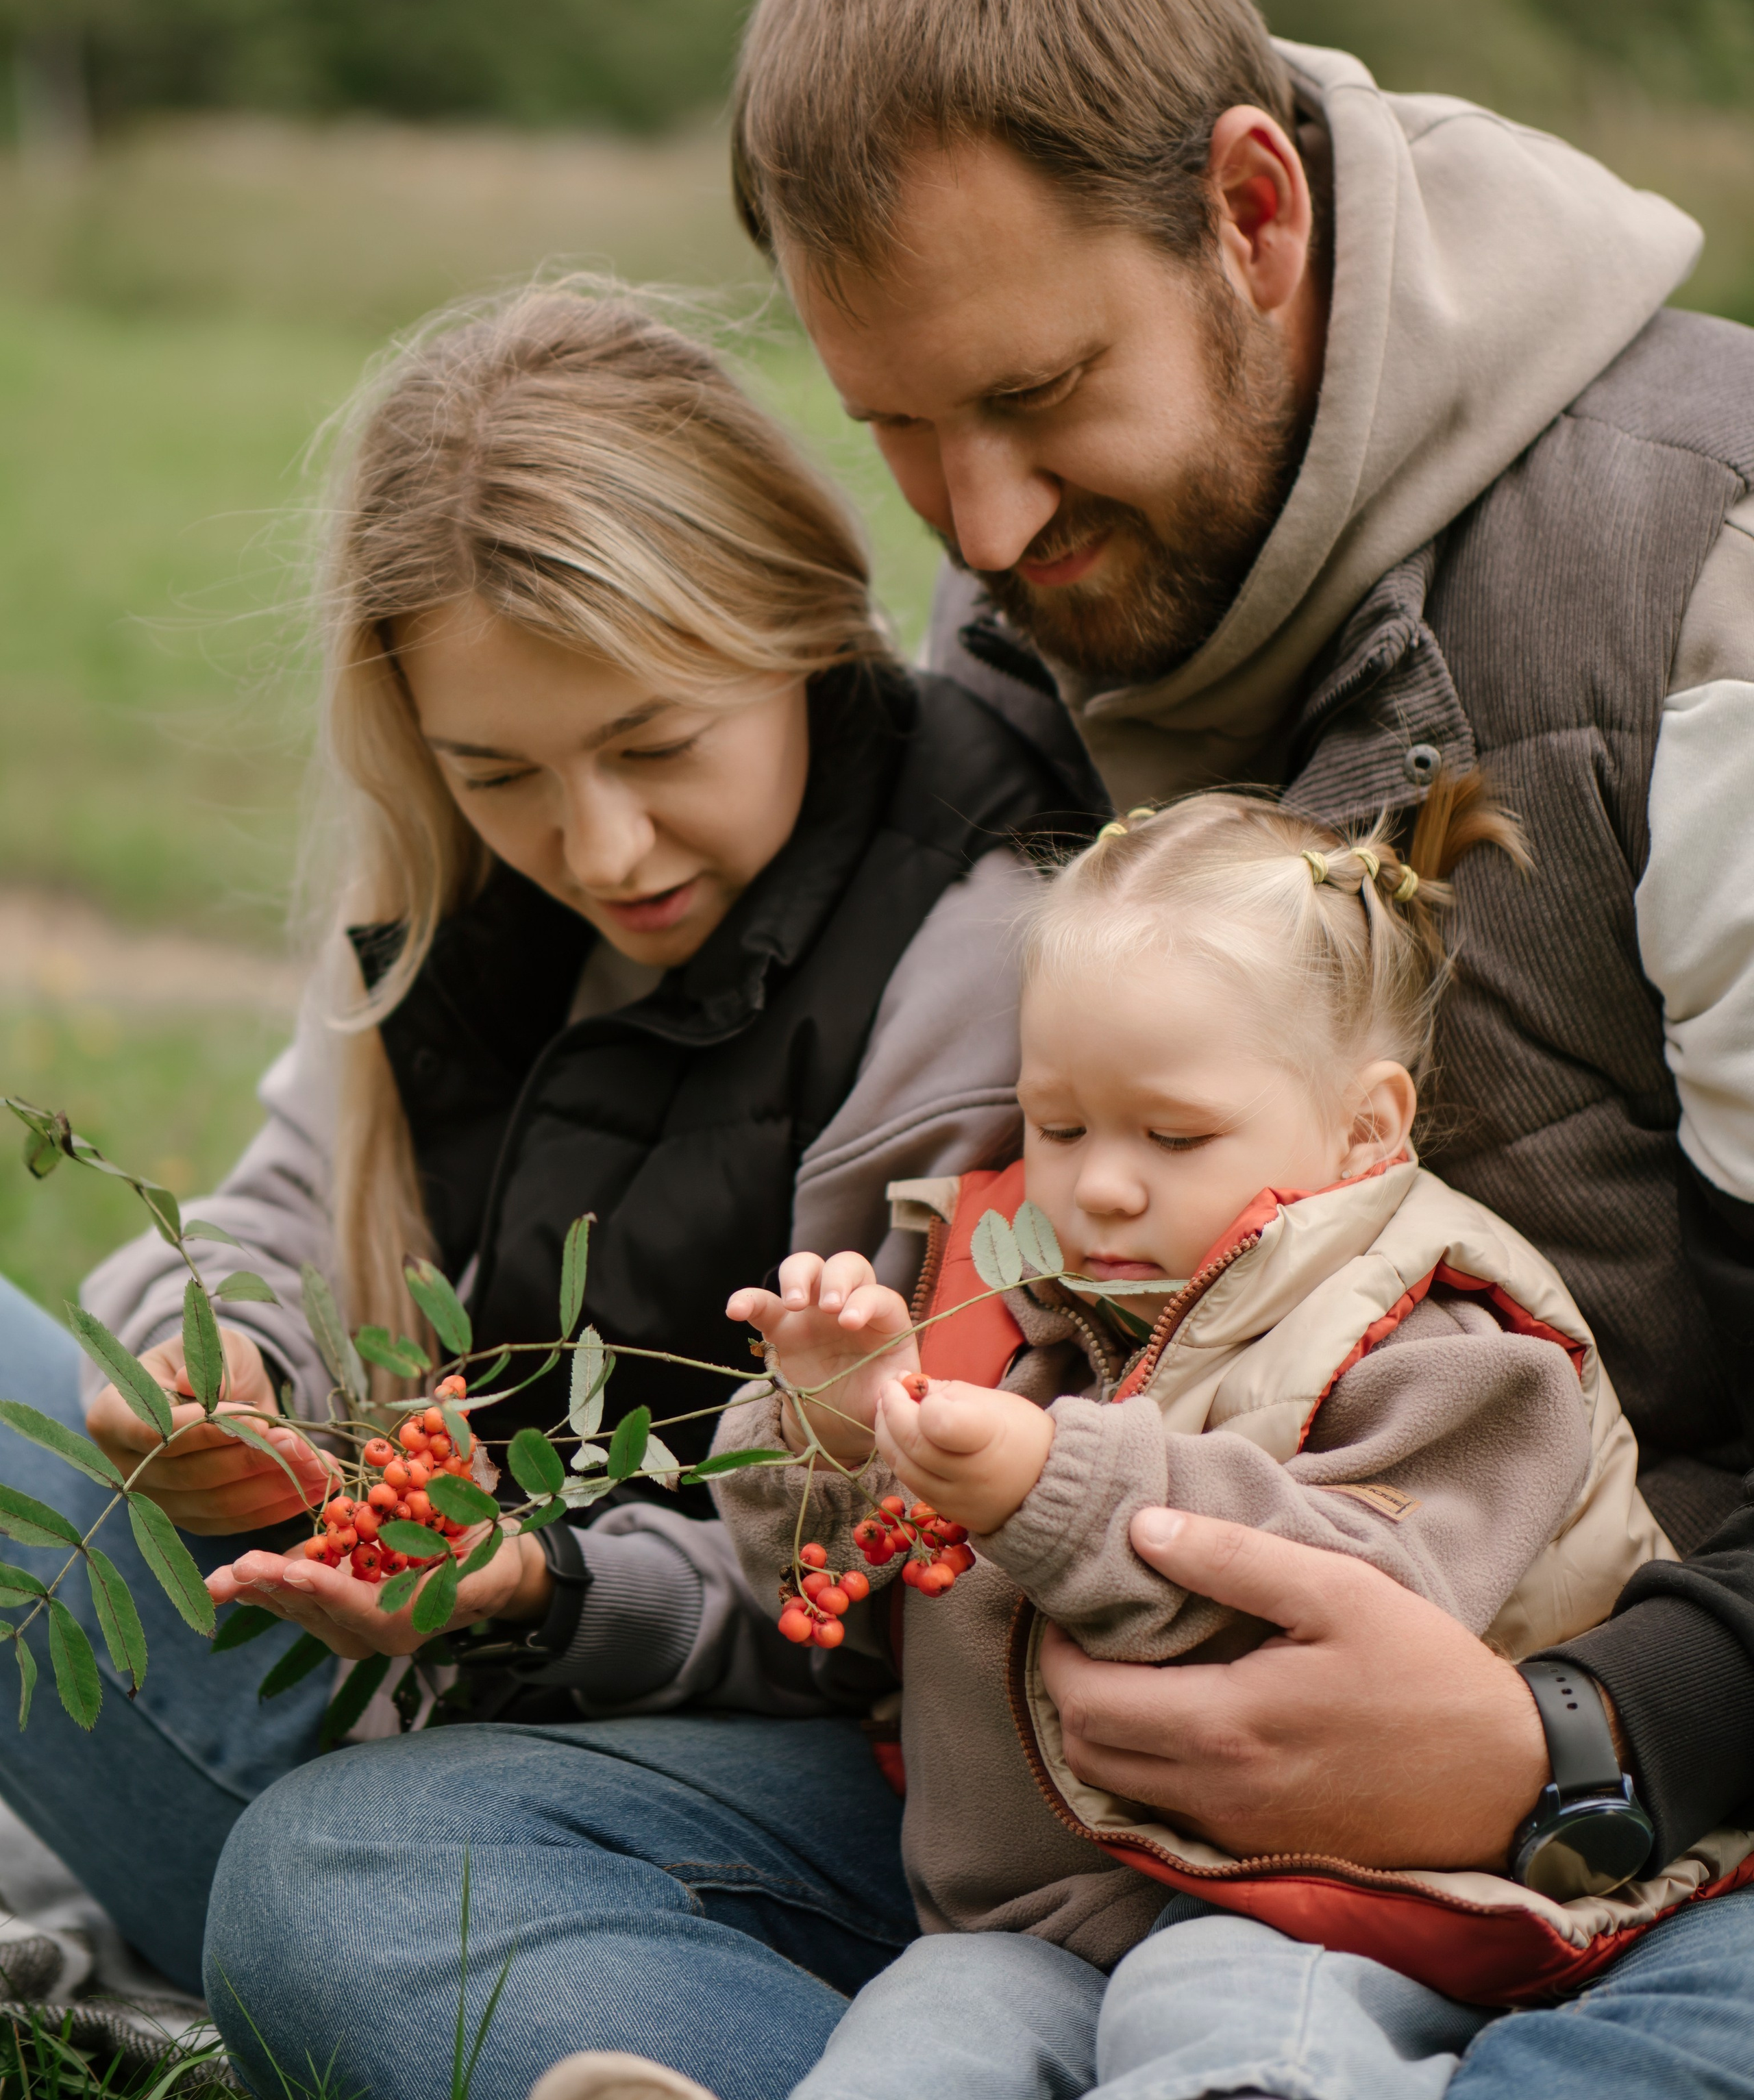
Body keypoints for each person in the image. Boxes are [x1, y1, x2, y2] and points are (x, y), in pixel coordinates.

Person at [214, 0, 1754, 2100]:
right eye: (900, 433)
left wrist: (1573, 1730)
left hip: (1656, 1822)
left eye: (1036, 397)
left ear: (1253, 212)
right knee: (358, 1882)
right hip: (1066, 1831)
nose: (987, 526)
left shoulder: (1704, 578)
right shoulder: (1031, 610)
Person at [0, 279, 1077, 2062]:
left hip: (744, 1783)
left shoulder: (978, 957)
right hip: (394, 1686)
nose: (599, 844)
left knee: (340, 1869)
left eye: (657, 744)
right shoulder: (452, 898)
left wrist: (531, 1584)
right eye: (497, 770)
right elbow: (274, 1206)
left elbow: (849, 1572)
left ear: (806, 622)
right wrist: (226, 1362)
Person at [543, 782, 1726, 2100]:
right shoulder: (1020, 1300)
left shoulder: (1451, 1340)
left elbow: (1370, 1603)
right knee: (928, 2026)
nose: (1099, 1181)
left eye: (1173, 1134)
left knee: (1214, 2010)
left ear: (1364, 1127)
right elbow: (842, 1605)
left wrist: (1055, 1487)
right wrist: (836, 1427)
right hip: (1046, 1909)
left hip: (1343, 1891)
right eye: (1057, 1125)